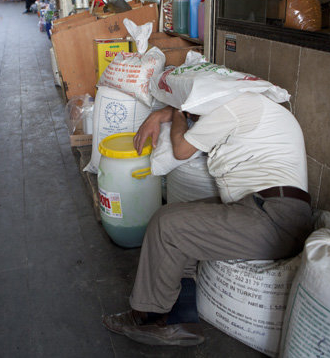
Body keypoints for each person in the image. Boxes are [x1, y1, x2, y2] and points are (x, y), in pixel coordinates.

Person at [102, 92, 314, 346]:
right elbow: (191, 110)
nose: (190, 112)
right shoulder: (248, 102)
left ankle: (148, 315)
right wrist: (162, 113)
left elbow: (180, 149)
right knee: (184, 223)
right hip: (267, 209)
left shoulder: (235, 106)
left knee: (166, 224)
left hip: (273, 218)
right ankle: (182, 318)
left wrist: (177, 113)